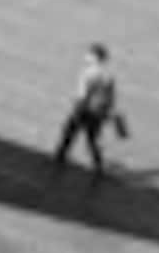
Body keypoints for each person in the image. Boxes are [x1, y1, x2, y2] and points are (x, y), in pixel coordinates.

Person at [53, 43, 126, 176]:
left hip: (84, 110)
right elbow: (111, 97)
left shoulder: (88, 73)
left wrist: (76, 109)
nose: (86, 56)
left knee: (69, 133)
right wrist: (108, 112)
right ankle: (98, 165)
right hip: (98, 112)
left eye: (89, 54)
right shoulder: (108, 76)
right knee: (93, 139)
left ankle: (59, 158)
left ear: (95, 57)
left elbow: (82, 95)